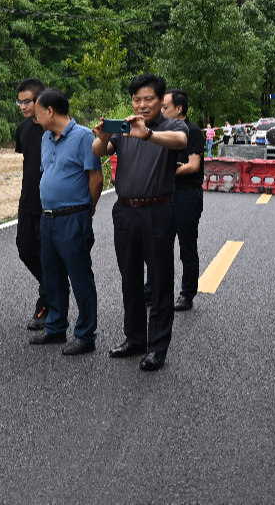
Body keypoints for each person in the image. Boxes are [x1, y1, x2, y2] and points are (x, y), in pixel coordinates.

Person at [92, 74, 187, 371]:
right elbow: (98, 151)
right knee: (130, 279)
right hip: (125, 211)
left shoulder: (172, 126)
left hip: (158, 210)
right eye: (137, 99)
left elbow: (181, 142)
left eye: (149, 99)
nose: (142, 105)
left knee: (159, 282)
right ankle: (135, 338)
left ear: (160, 100)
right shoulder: (125, 127)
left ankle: (157, 347)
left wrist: (148, 134)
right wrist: (103, 136)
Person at [28, 88, 103, 354]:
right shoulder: (46, 138)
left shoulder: (83, 137)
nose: (35, 118)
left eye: (37, 113)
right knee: (53, 276)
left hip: (73, 217)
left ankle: (86, 335)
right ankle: (56, 327)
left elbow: (96, 179)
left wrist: (86, 210)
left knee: (79, 276)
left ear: (50, 111)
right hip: (48, 218)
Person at [161, 90, 204, 310]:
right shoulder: (163, 131)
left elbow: (193, 165)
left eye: (165, 107)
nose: (162, 111)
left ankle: (187, 293)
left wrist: (166, 171)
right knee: (159, 245)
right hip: (165, 194)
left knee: (187, 247)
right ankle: (153, 290)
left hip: (187, 194)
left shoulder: (192, 131)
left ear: (179, 108)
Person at [14, 78, 49, 330]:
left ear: (40, 99)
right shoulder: (23, 128)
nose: (24, 106)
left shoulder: (53, 128)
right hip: (27, 202)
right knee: (25, 251)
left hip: (49, 205)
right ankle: (51, 285)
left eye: (27, 101)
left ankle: (46, 303)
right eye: (20, 102)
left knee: (49, 256)